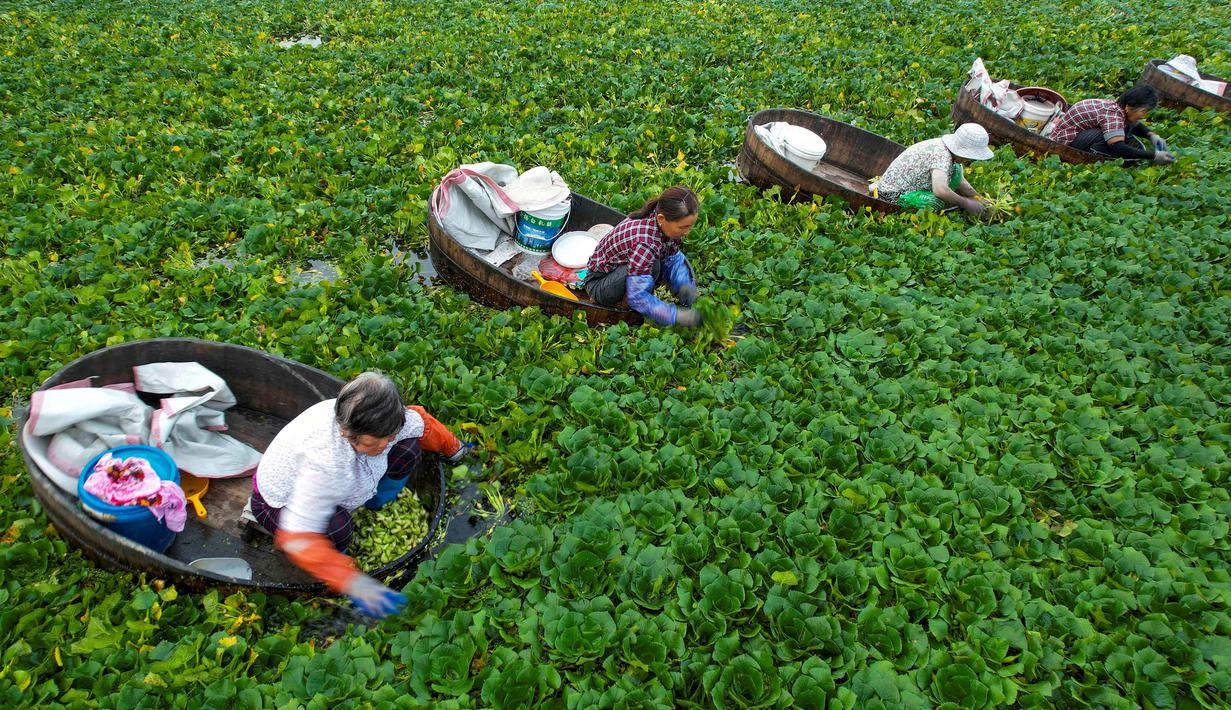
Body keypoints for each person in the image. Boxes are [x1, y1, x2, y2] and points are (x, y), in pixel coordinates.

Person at [247, 373, 470, 618]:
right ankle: (339, 556)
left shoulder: (389, 421)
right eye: (374, 442)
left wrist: (454, 450)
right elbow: (298, 537)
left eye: (390, 435)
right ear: (347, 433)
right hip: (279, 502)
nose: (385, 444)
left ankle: (378, 501)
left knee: (408, 448)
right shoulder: (326, 463)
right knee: (338, 528)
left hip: (348, 483)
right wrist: (349, 580)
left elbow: (424, 425)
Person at [584, 186, 704, 328]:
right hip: (599, 284)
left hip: (623, 269)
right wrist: (676, 316)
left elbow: (673, 259)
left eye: (689, 227)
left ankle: (643, 293)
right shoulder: (645, 243)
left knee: (657, 263)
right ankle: (623, 305)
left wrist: (685, 288)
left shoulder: (665, 226)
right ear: (661, 218)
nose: (687, 232)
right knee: (653, 265)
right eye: (683, 227)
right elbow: (637, 297)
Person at [874, 123, 995, 216]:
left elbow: (961, 182)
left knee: (957, 172)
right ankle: (908, 215)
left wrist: (979, 198)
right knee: (935, 201)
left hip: (910, 186)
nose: (970, 160)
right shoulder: (941, 155)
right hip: (891, 195)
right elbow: (940, 190)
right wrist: (966, 203)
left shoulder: (948, 153)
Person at [1049, 85, 1175, 166]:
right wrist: (1153, 156)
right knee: (1110, 138)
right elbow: (1118, 147)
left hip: (1074, 132)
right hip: (1064, 140)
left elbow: (1135, 124)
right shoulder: (1112, 115)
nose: (1143, 115)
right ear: (1129, 106)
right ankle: (1095, 155)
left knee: (1122, 130)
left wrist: (1151, 135)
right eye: (1143, 111)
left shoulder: (1116, 107)